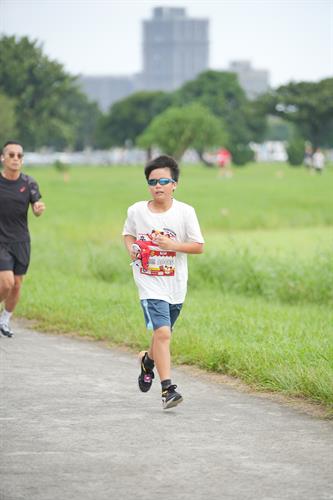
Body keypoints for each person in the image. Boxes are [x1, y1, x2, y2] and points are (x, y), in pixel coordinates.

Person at [122, 155, 204, 409]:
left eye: (164, 181)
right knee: (163, 333)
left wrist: (172, 245)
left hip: (176, 284)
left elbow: (198, 246)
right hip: (149, 281)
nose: (158, 186)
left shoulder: (185, 212)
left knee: (161, 336)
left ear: (174, 184)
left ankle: (148, 361)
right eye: (153, 181)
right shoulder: (137, 210)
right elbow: (128, 234)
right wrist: (133, 249)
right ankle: (168, 389)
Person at [0, 141, 45, 338]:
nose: (15, 159)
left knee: (17, 284)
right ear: (3, 158)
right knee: (6, 283)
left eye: (19, 155)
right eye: (11, 155)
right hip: (1, 240)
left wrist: (38, 209)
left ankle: (5, 320)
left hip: (21, 241)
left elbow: (36, 206)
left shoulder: (29, 183)